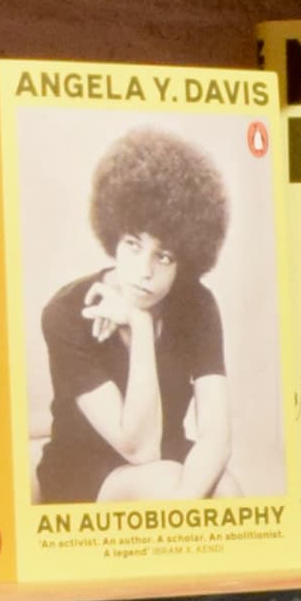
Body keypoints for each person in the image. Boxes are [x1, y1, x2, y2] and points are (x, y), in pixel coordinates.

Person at [34, 125, 235, 506]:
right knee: (166, 479)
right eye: (133, 244)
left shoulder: (197, 305)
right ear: (114, 235)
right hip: (83, 467)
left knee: (229, 493)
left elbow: (216, 435)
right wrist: (141, 324)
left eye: (164, 256)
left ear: (186, 259)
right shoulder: (66, 313)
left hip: (167, 453)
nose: (144, 271)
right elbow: (139, 449)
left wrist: (187, 503)